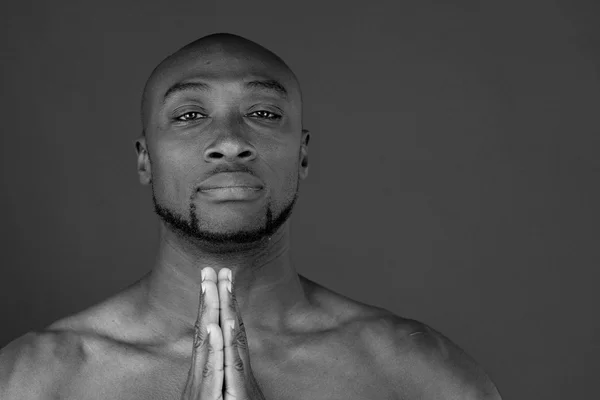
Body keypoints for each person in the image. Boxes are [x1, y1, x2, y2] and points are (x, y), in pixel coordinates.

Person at [0, 32, 502, 399]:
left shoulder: (421, 377)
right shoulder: (34, 381)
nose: (231, 142)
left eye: (263, 114)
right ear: (144, 158)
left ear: (302, 155)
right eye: (190, 115)